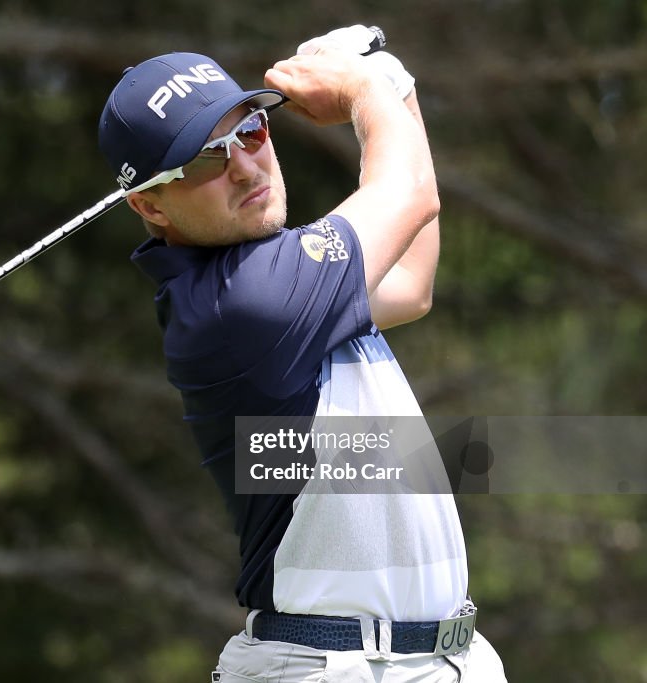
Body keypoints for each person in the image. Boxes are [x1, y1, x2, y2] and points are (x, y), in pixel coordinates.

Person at [97, 26, 508, 682]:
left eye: (251, 131)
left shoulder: (276, 282)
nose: (243, 165)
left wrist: (391, 83)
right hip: (335, 666)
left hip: (427, 660)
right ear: (150, 203)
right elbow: (410, 194)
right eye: (205, 159)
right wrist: (363, 87)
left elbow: (413, 280)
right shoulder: (245, 303)